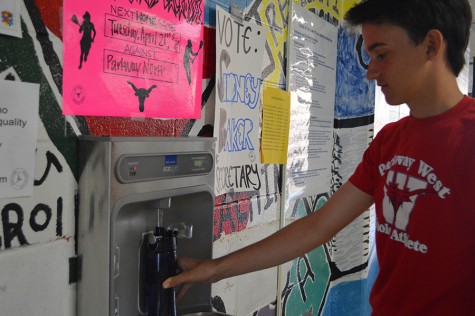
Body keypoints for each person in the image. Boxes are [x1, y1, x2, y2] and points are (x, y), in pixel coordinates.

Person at [164, 0, 475, 314]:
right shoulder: (390, 141)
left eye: (382, 54)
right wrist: (215, 269)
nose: (370, 72)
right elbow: (319, 226)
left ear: (431, 45)